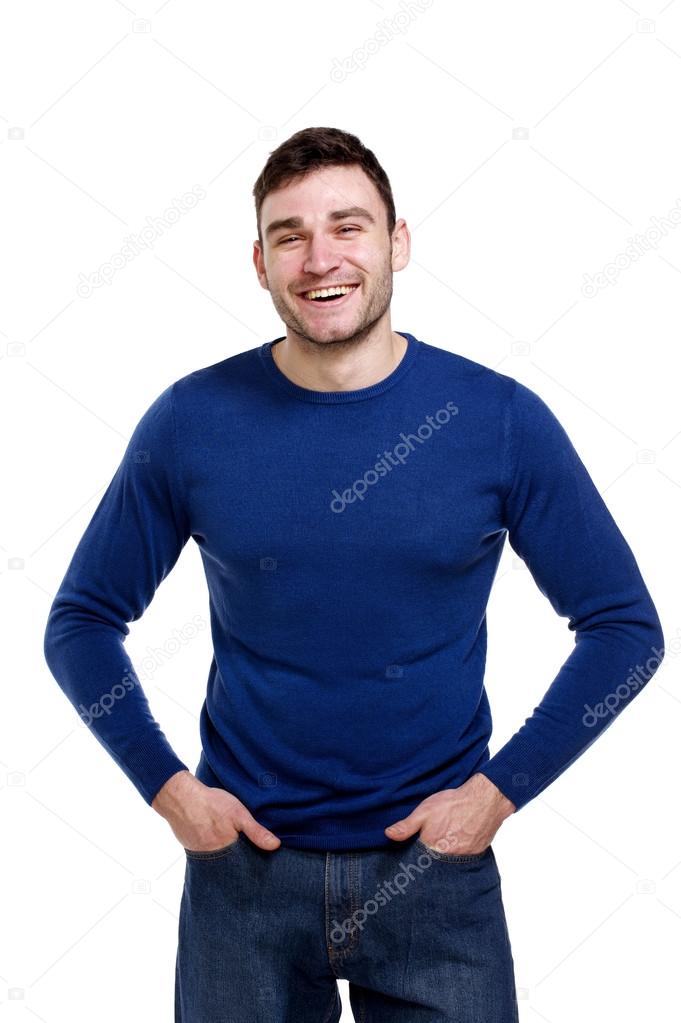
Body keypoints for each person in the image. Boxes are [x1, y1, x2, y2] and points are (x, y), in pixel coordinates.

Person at [43, 126, 665, 1023]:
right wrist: (169, 790)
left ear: (397, 243)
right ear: (259, 262)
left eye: (348, 226)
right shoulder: (191, 419)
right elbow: (82, 621)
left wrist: (498, 793)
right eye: (290, 235)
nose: (319, 258)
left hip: (436, 879)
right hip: (242, 881)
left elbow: (624, 630)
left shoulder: (494, 420)